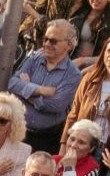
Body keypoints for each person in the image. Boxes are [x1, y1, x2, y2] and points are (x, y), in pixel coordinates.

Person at [8, 19, 81, 155]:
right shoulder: (36, 58)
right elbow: (12, 84)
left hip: (47, 138)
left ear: (69, 45)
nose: (47, 44)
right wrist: (40, 90)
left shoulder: (73, 75)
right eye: (45, 39)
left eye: (53, 41)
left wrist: (27, 90)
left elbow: (56, 105)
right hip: (19, 131)